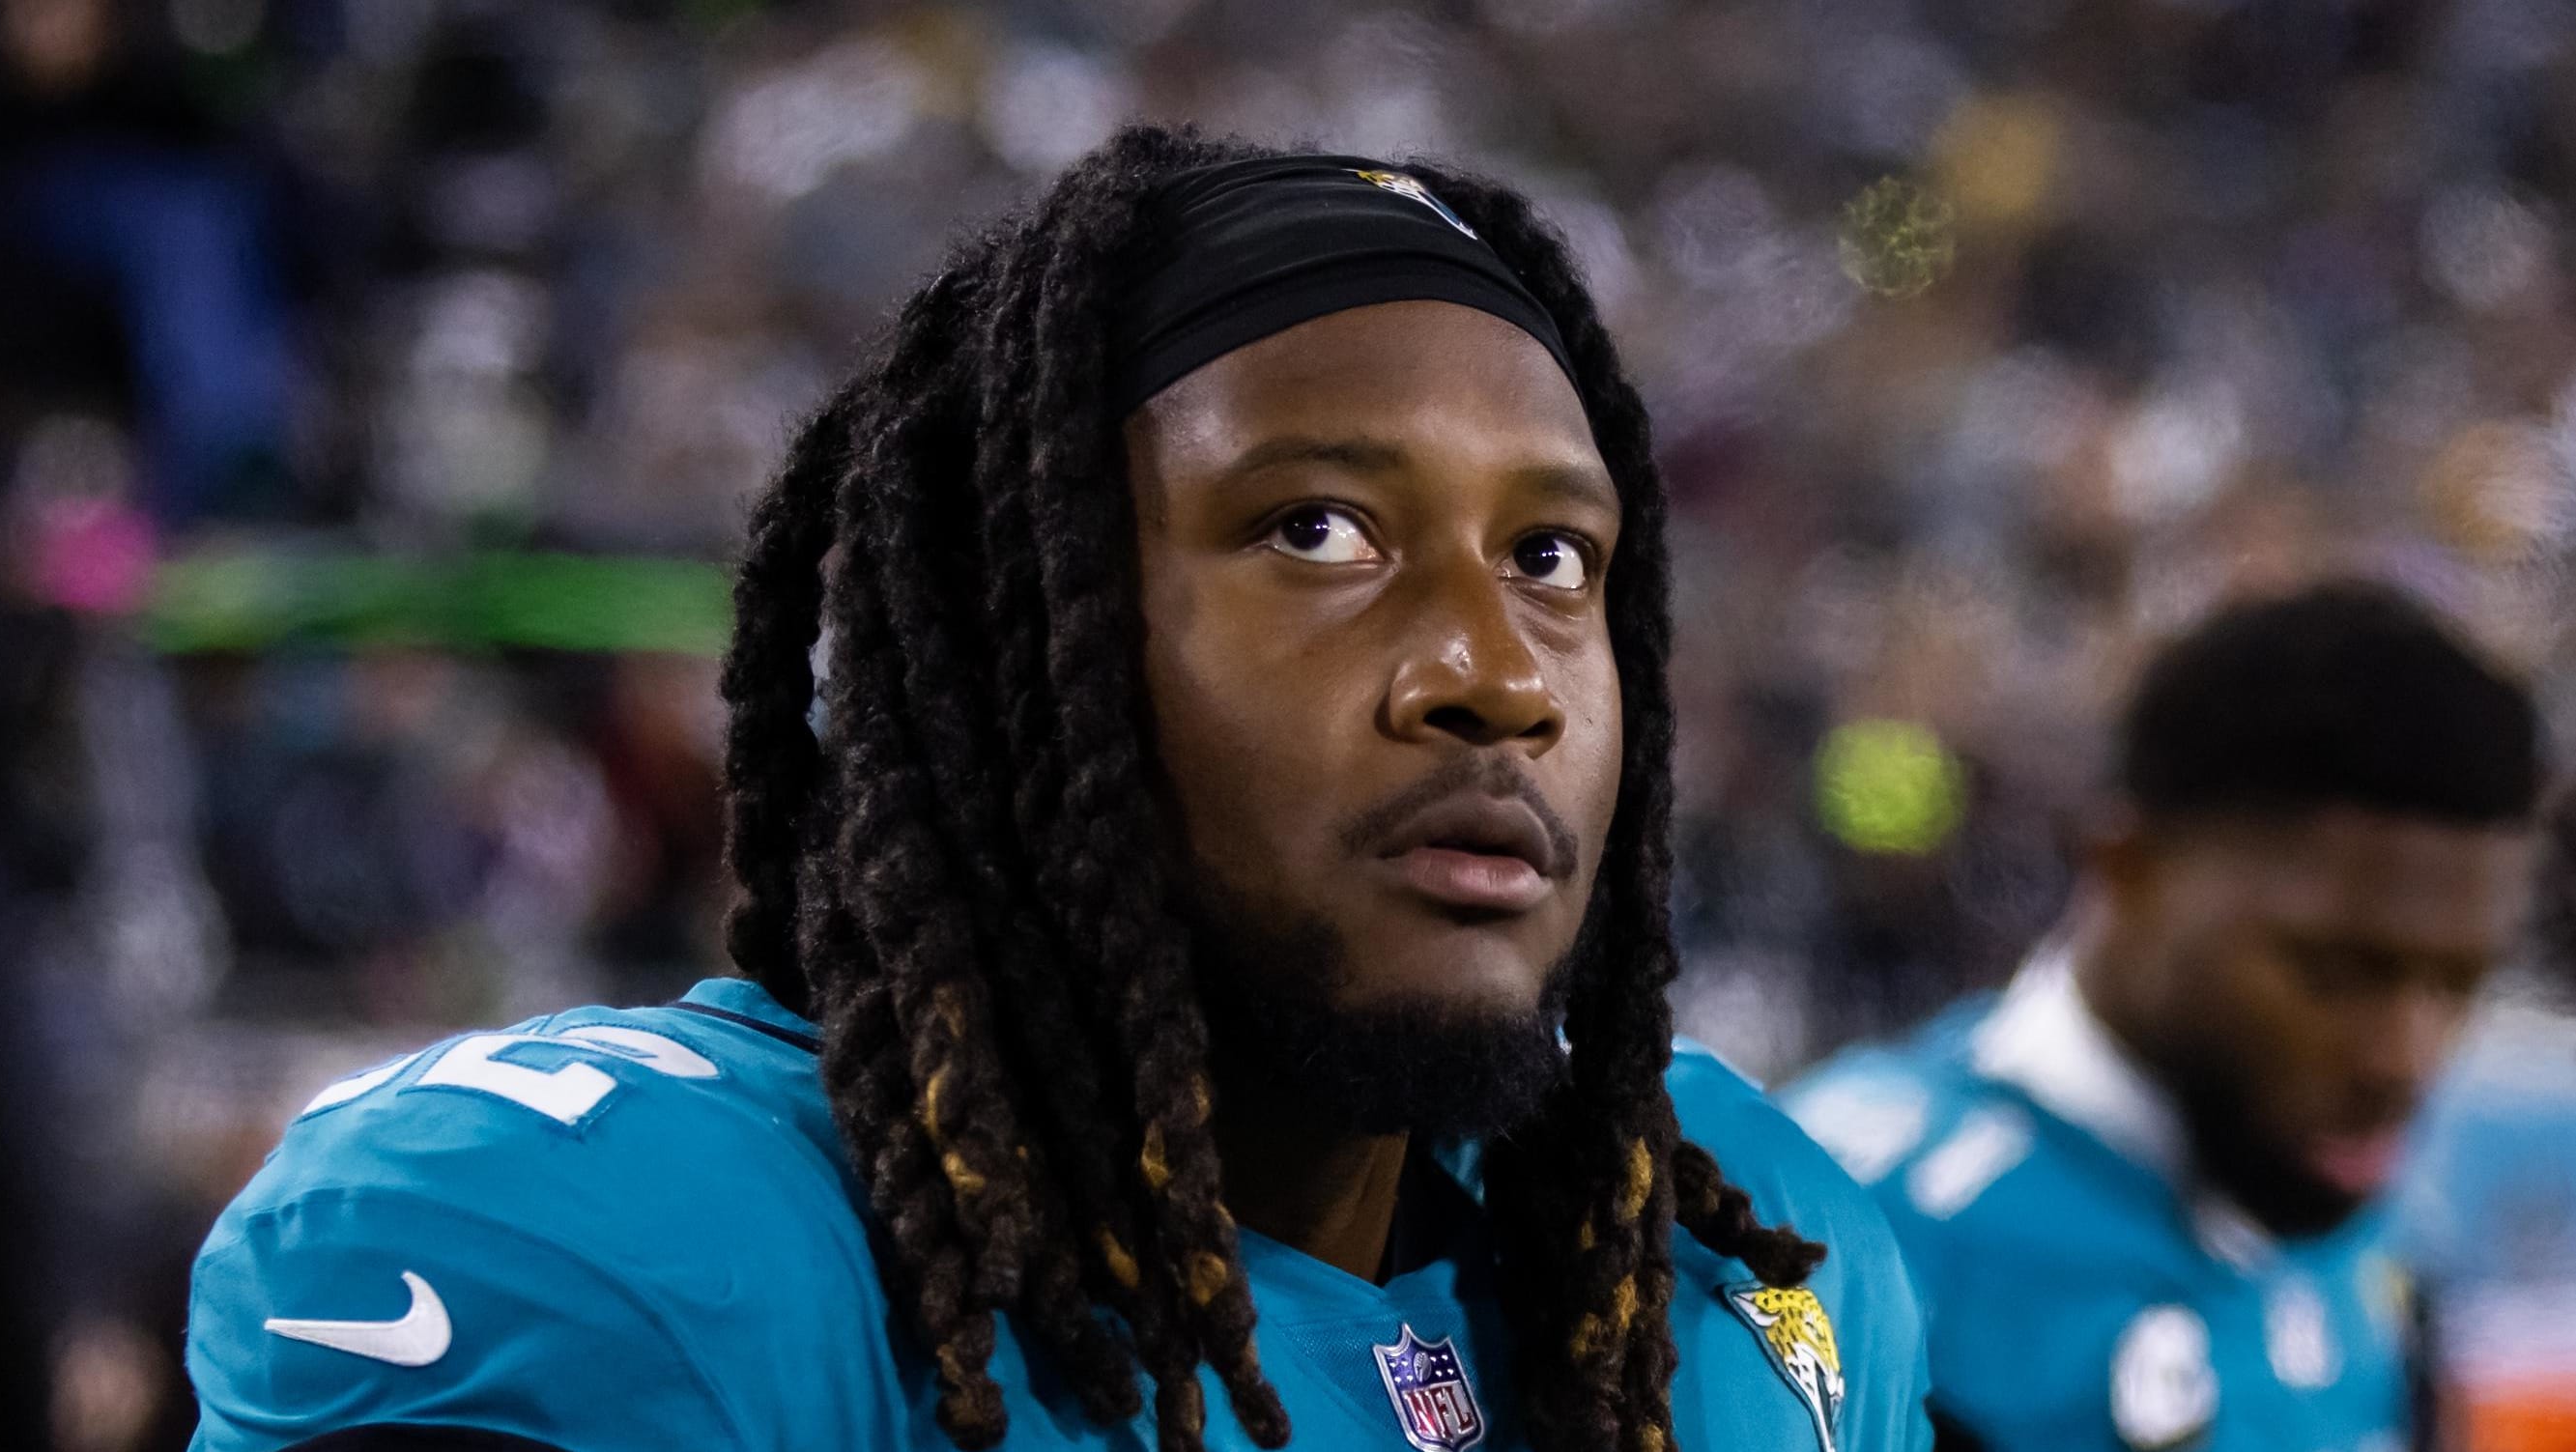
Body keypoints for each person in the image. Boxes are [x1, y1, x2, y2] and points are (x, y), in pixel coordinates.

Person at [184, 127, 1932, 1452]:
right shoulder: (630, 1251)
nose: (1495, 673)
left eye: (1551, 557)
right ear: (1015, 633)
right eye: (1317, 528)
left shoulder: (1735, 1249)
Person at [1782, 581, 2544, 1452]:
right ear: (2129, 869)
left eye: (2457, 982)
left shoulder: (2350, 1208)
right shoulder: (1834, 1234)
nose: (2402, 1058)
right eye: (2333, 973)